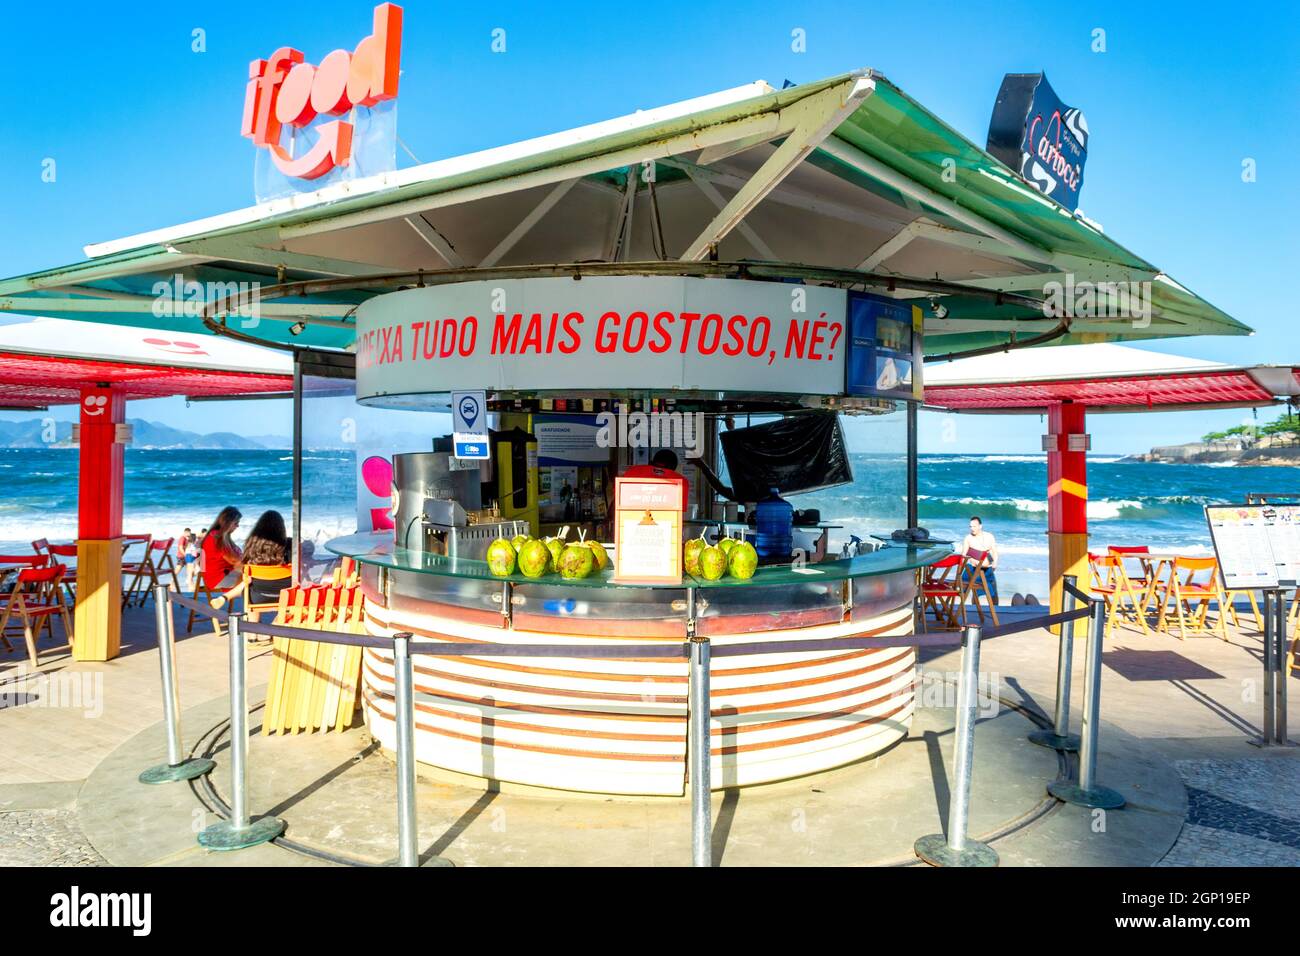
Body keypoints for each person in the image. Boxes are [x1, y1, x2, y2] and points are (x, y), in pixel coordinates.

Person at [241, 510, 294, 604]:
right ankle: (282, 617)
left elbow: (244, 570)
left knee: (246, 588)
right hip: (288, 596)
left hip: (258, 597)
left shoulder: (251, 545)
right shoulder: (289, 544)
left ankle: (253, 619)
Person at [623, 449, 690, 512]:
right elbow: (680, 514)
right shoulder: (682, 482)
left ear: (651, 462)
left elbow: (617, 502)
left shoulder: (631, 472)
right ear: (673, 468)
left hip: (629, 521)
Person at [959, 515, 999, 605]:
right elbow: (963, 555)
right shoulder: (968, 538)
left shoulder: (989, 536)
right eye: (970, 526)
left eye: (974, 526)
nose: (972, 528)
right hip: (973, 569)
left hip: (987, 569)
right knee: (975, 593)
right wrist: (972, 560)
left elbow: (994, 552)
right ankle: (975, 610)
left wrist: (995, 563)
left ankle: (996, 611)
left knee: (994, 593)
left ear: (980, 526)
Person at [201, 508, 243, 592]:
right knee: (254, 579)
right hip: (218, 578)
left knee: (253, 576)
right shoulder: (217, 537)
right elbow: (233, 560)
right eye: (236, 523)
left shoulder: (220, 535)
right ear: (227, 523)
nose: (237, 526)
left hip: (220, 575)